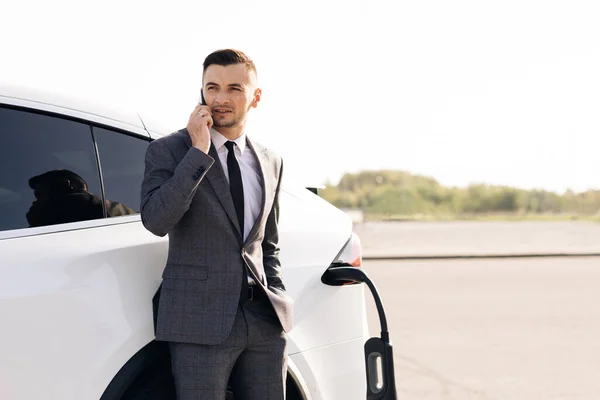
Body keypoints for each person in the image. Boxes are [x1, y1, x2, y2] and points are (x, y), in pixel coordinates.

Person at [140, 49, 293, 400]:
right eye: (212, 87)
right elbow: (156, 220)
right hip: (198, 322)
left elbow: (268, 242)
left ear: (255, 97)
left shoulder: (271, 160)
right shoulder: (169, 151)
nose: (220, 98)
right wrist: (198, 151)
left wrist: (278, 299)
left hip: (264, 323)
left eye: (234, 88)